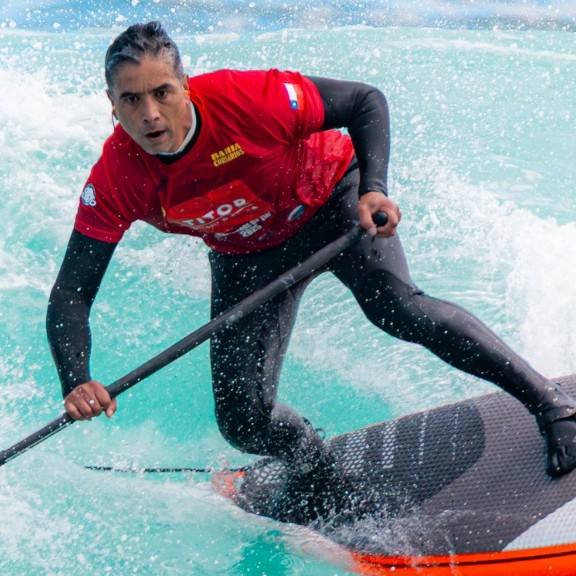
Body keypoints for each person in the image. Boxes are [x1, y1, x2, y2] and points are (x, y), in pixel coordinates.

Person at [47, 21, 576, 524]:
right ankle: (319, 476)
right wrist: (77, 380)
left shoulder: (246, 99)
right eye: (131, 100)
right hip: (247, 254)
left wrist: (374, 189)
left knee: (397, 309)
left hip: (331, 204)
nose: (150, 114)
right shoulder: (116, 176)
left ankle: (553, 406)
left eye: (162, 92)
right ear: (112, 104)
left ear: (185, 85)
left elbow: (365, 101)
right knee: (244, 421)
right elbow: (72, 290)